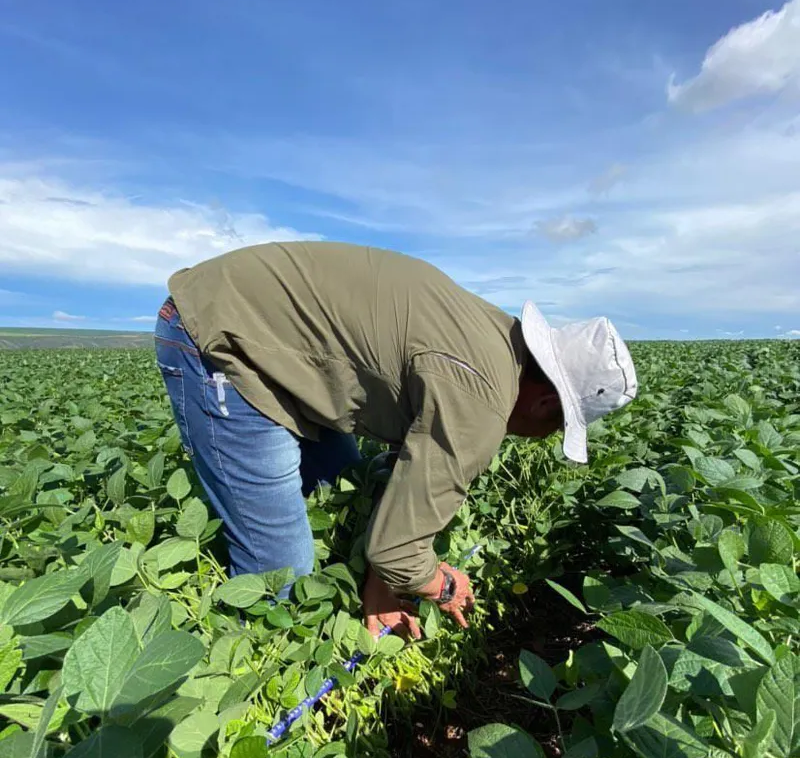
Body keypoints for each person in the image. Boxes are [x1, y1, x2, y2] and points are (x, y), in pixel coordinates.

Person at [154, 241, 637, 639]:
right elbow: (397, 552)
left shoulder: (494, 337)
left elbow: (406, 465)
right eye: (556, 429)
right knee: (282, 574)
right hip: (219, 337)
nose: (537, 438)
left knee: (346, 487)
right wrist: (440, 584)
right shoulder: (483, 399)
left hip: (266, 334)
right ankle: (253, 677)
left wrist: (384, 582)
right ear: (547, 404)